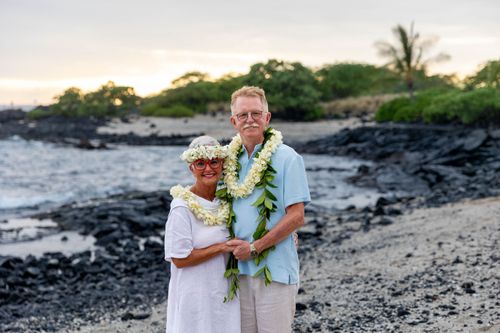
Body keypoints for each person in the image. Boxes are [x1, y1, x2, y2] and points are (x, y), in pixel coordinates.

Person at [225, 86, 311, 333]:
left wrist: (254, 248)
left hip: (274, 271)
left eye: (256, 113)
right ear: (234, 121)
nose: (250, 119)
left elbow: (296, 216)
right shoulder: (228, 160)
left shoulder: (287, 158)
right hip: (237, 272)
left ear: (267, 117)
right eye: (243, 115)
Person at [164, 136, 241, 333]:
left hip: (224, 292)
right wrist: (222, 247)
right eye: (200, 163)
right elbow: (179, 259)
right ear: (191, 168)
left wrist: (288, 232)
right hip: (194, 296)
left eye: (214, 161)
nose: (208, 168)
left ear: (222, 164)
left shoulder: (228, 201)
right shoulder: (181, 207)